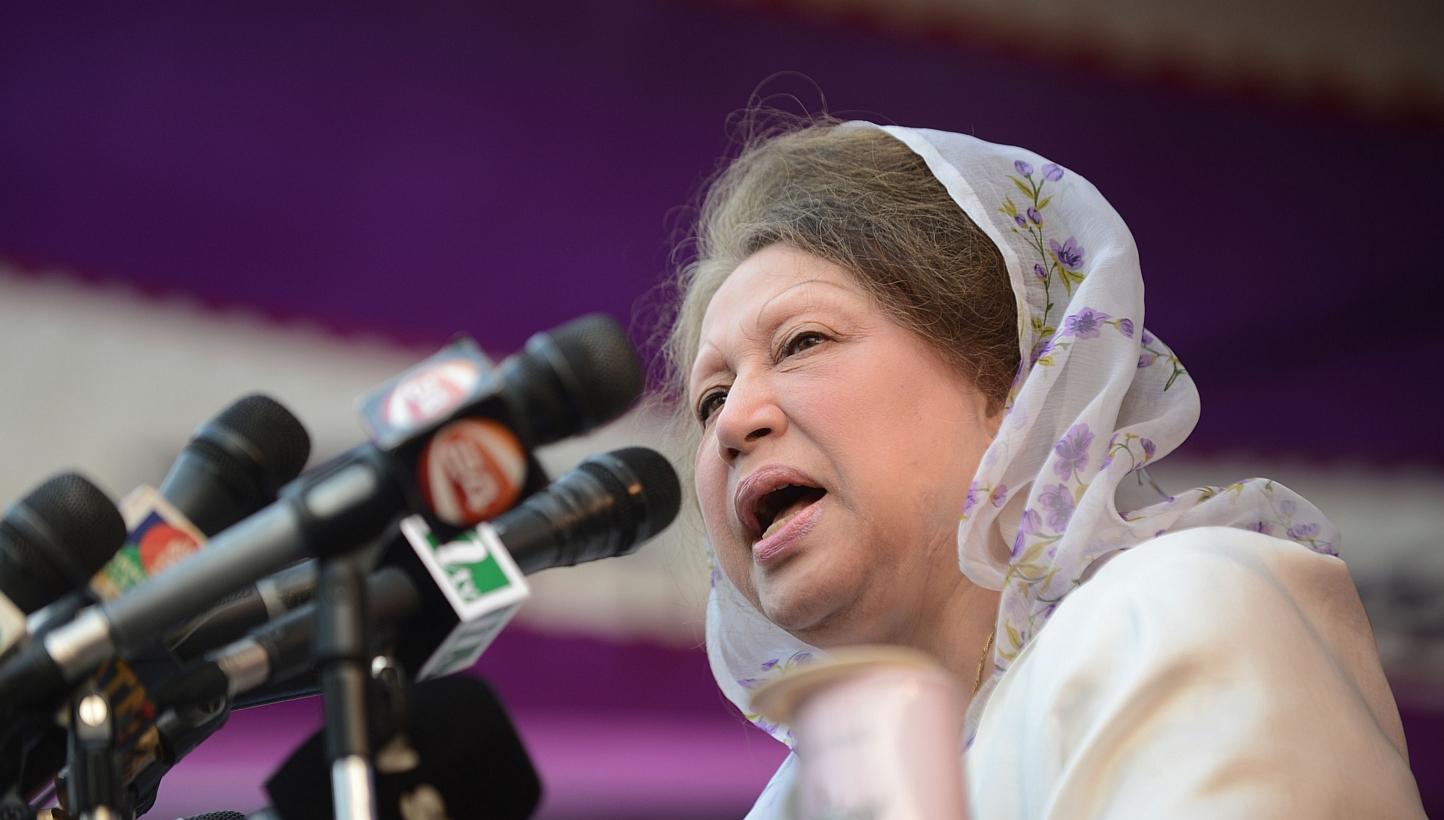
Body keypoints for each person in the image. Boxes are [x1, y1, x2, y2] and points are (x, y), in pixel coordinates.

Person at [660, 117, 1426, 817]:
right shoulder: (801, 802)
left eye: (802, 342)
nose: (731, 421)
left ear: (1014, 385)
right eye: (710, 398)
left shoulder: (1174, 609)